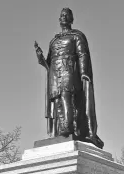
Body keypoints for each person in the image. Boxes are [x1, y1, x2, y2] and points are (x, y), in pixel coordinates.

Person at [34, 8, 103, 149]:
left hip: (69, 70)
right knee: (57, 100)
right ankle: (62, 129)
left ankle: (69, 126)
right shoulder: (53, 40)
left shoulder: (77, 36)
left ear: (71, 19)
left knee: (67, 97)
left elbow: (82, 54)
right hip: (54, 73)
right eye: (61, 15)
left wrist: (84, 72)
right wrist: (40, 58)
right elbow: (48, 62)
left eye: (66, 15)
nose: (63, 17)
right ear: (59, 20)